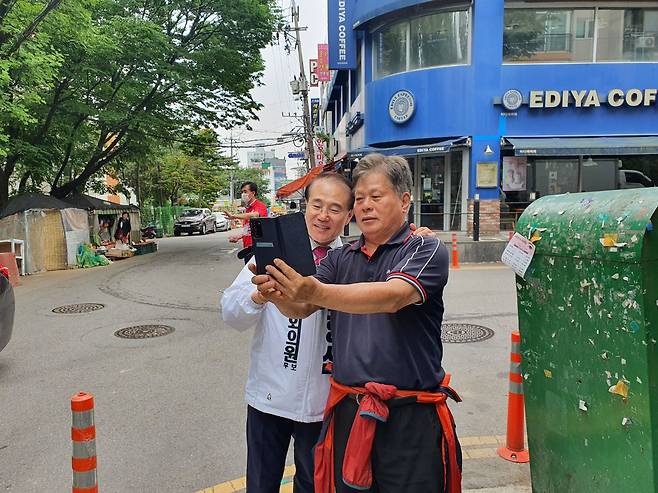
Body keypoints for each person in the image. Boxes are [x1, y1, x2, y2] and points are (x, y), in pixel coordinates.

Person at [252, 154, 461, 493]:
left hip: (409, 417)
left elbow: (393, 296)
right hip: (350, 413)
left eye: (376, 197)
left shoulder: (423, 248)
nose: (365, 206)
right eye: (360, 199)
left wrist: (315, 290)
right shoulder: (340, 258)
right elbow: (303, 306)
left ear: (405, 200)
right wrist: (274, 290)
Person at [221, 173, 354, 493]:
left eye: (335, 209)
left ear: (349, 216)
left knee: (314, 486)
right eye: (317, 205)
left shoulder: (352, 262)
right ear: (305, 206)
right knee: (261, 485)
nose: (324, 215)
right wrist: (258, 296)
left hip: (324, 404)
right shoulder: (271, 253)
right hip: (269, 399)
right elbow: (230, 313)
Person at [224, 181, 268, 263]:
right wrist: (239, 237)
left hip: (257, 248)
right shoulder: (248, 209)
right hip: (247, 249)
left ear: (253, 193)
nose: (243, 194)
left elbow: (255, 215)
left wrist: (234, 216)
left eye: (245, 192)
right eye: (242, 192)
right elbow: (248, 229)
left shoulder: (260, 206)